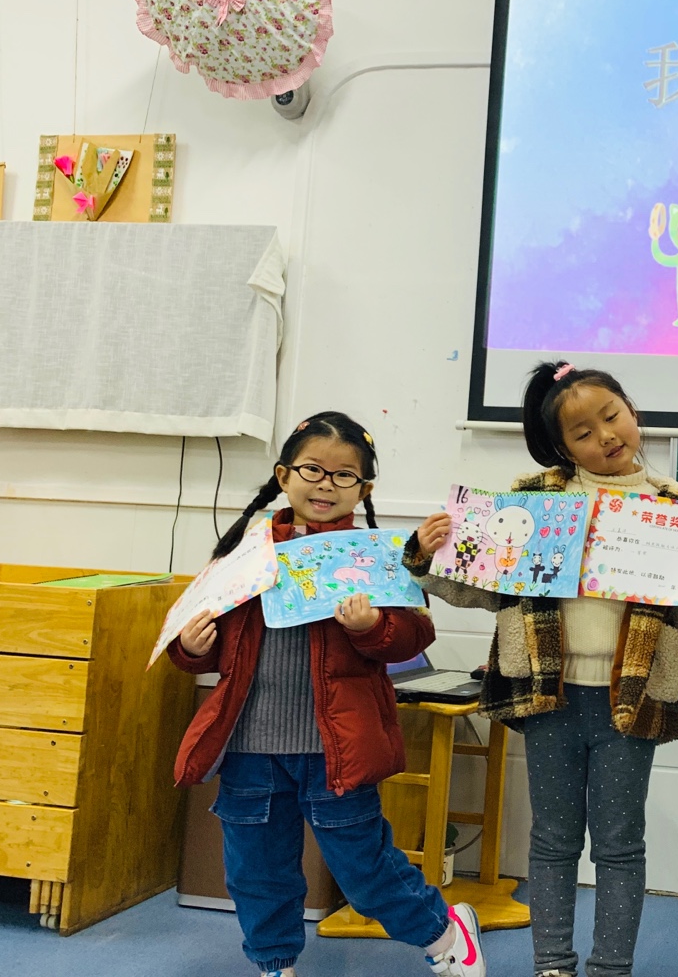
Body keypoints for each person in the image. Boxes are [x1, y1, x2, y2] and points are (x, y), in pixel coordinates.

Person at [407, 361, 678, 977]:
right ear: (563, 447)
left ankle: (610, 968)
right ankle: (553, 965)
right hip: (551, 696)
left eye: (611, 415)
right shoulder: (535, 502)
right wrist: (427, 556)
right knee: (553, 840)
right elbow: (484, 590)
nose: (605, 435)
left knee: (620, 843)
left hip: (633, 700)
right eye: (582, 432)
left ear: (633, 412)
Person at [168, 411, 485, 977]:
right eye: (313, 469)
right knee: (256, 870)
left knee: (363, 867)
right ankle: (274, 964)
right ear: (283, 475)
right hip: (250, 745)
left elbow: (414, 635)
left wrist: (371, 628)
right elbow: (206, 643)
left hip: (336, 747)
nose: (325, 484)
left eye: (344, 475)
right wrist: (191, 646)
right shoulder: (246, 552)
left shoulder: (375, 556)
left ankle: (444, 935)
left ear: (364, 489)